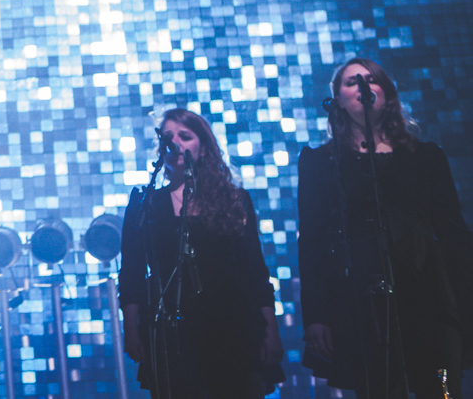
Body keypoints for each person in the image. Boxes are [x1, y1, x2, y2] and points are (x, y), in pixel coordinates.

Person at [298, 58, 473, 398]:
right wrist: (316, 315)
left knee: (441, 386)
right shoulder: (321, 163)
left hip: (428, 291)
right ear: (337, 99)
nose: (362, 86)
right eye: (351, 82)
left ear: (386, 92)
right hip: (361, 299)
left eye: (370, 79)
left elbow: (454, 233)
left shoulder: (425, 157)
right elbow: (313, 242)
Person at [119, 108, 282, 399]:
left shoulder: (234, 200)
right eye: (168, 137)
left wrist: (269, 329)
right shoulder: (147, 203)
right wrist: (131, 330)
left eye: (185, 136)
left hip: (232, 326)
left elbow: (254, 269)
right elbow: (131, 272)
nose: (176, 143)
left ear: (203, 146)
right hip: (174, 333)